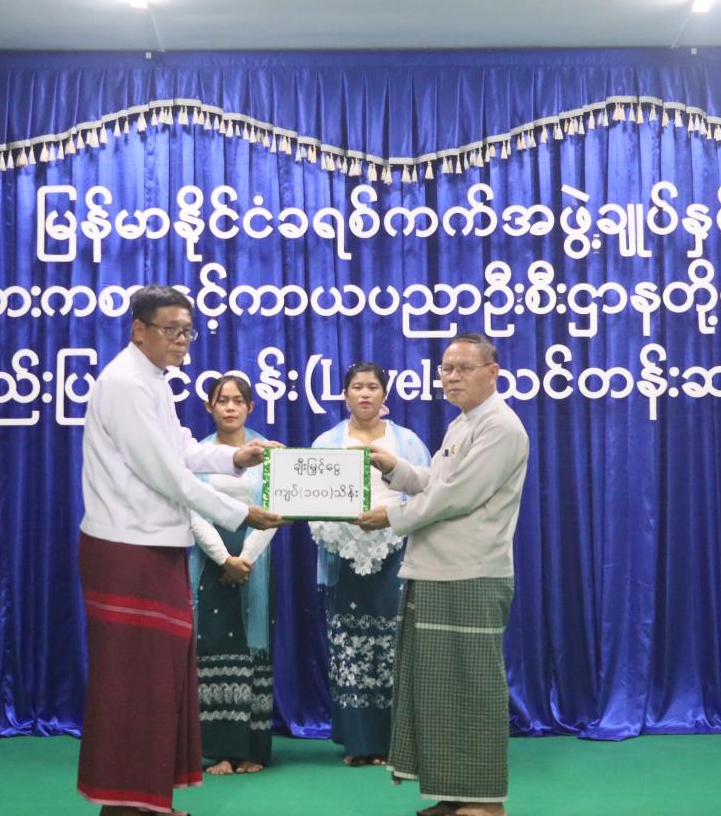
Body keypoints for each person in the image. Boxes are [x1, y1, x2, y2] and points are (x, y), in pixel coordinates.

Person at [75, 285, 283, 816]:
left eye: (188, 331)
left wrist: (238, 458)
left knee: (159, 681)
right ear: (138, 329)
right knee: (133, 683)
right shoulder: (125, 383)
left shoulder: (152, 381)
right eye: (171, 329)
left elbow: (183, 451)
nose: (182, 340)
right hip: (127, 546)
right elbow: (167, 475)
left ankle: (147, 801)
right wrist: (241, 512)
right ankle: (126, 804)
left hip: (154, 545)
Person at [355, 334, 529, 816]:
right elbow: (440, 483)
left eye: (463, 368)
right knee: (440, 691)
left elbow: (457, 497)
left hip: (470, 573)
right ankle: (454, 795)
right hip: (438, 571)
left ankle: (485, 803)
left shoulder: (501, 427)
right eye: (446, 369)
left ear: (492, 372)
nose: (451, 377)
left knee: (472, 690)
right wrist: (396, 470)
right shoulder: (463, 422)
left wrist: (390, 517)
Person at [308, 361, 433, 767]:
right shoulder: (326, 444)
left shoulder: (407, 441)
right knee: (348, 647)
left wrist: (389, 522)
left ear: (384, 394)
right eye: (357, 387)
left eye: (372, 387)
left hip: (395, 551)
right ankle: (358, 743)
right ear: (345, 395)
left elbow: (428, 495)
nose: (364, 394)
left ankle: (397, 743)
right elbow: (309, 498)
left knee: (394, 646)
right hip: (343, 552)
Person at [188, 374, 277, 776]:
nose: (229, 407)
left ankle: (253, 750)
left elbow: (276, 510)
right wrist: (224, 558)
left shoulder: (267, 452)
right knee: (213, 648)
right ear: (209, 407)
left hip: (255, 561)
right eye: (221, 400)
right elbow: (192, 510)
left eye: (238, 400)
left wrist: (245, 559)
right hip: (210, 562)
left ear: (250, 407)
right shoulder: (197, 455)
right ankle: (221, 750)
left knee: (252, 648)